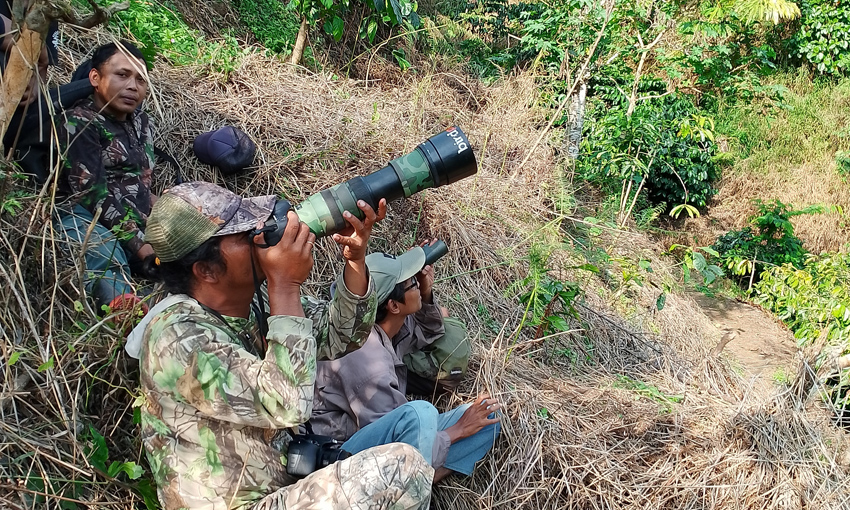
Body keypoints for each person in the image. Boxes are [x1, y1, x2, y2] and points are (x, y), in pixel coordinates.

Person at [131, 181, 433, 510]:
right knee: (400, 469)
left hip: (287, 485)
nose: (259, 237)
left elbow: (342, 336)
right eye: (244, 234)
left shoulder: (257, 299)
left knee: (416, 423)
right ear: (206, 270)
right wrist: (285, 285)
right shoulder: (176, 337)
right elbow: (286, 403)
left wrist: (356, 262)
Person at [310, 245, 501, 483]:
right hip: (340, 455)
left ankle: (420, 481)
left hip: (376, 427)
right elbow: (399, 447)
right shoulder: (368, 362)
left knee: (491, 417)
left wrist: (425, 290)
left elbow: (427, 329)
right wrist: (459, 430)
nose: (417, 284)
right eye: (411, 283)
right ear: (393, 306)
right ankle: (404, 489)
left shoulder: (377, 324)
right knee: (421, 414)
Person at [55, 40, 155, 314]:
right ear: (95, 78)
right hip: (86, 215)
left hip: (136, 218)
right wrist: (141, 246)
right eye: (122, 75)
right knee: (103, 250)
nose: (133, 86)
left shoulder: (142, 123)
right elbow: (93, 195)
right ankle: (122, 311)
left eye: (141, 80)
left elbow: (142, 181)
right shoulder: (79, 122)